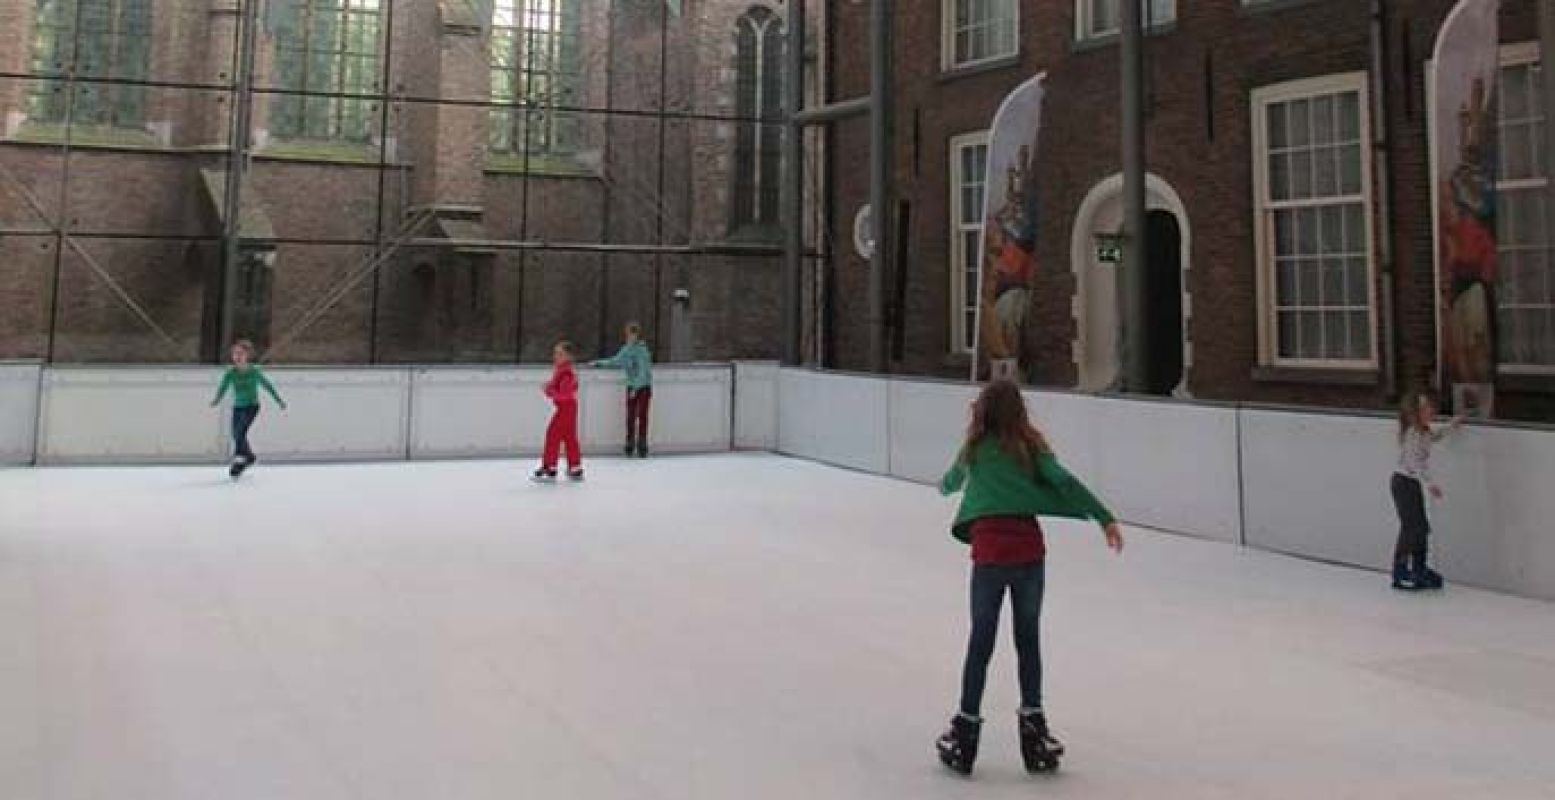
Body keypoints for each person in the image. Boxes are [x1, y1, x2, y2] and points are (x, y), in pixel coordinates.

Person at [935, 380, 1123, 777]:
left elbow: (951, 481)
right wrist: (1103, 517)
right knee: (1028, 641)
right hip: (1028, 556)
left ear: (982, 410)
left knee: (980, 642)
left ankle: (965, 731)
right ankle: (1034, 734)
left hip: (989, 557)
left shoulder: (975, 450)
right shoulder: (1030, 449)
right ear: (1020, 411)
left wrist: (944, 486)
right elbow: (1064, 482)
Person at [1391, 391, 1465, 591]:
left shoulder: (1424, 432)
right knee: (1412, 528)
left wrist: (1452, 425)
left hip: (1410, 484)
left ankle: (1418, 567)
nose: (1431, 411)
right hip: (1404, 483)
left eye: (1430, 407)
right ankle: (1402, 570)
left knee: (1419, 527)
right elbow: (1415, 462)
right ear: (1416, 413)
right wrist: (1430, 483)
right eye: (1425, 408)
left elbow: (1436, 436)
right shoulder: (1414, 433)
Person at [210, 339, 286, 478]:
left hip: (251, 406)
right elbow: (223, 386)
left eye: (240, 353)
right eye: (235, 354)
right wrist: (217, 399)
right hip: (238, 407)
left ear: (247, 356)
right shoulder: (231, 373)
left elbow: (267, 385)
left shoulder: (254, 372)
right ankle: (249, 456)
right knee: (236, 434)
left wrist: (278, 400)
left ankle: (240, 458)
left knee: (240, 432)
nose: (237, 357)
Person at [591, 322, 654, 458]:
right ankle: (629, 443)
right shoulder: (626, 349)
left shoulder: (642, 351)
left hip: (643, 387)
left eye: (633, 335)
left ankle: (642, 444)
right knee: (630, 416)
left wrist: (636, 388)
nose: (630, 337)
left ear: (637, 335)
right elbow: (616, 360)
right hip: (632, 386)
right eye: (629, 335)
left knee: (642, 416)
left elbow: (644, 371)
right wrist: (599, 363)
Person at [534, 340, 583, 482]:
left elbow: (565, 395)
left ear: (569, 356)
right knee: (569, 437)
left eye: (560, 354)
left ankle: (549, 467)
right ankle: (575, 467)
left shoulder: (566, 373)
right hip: (568, 408)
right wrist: (549, 386)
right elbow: (557, 386)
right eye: (555, 353)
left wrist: (549, 391)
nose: (556, 356)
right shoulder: (561, 370)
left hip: (566, 408)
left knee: (553, 435)